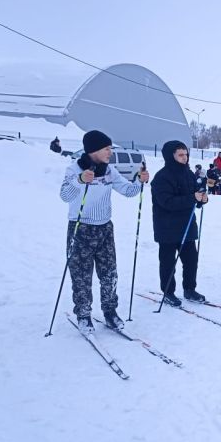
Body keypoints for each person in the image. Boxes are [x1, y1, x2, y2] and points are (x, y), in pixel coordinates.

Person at [59, 130, 150, 333]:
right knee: (82, 276)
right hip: (80, 228)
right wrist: (80, 180)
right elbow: (65, 195)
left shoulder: (109, 171)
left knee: (109, 274)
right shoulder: (74, 169)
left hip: (105, 228)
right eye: (107, 149)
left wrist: (138, 180)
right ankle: (83, 314)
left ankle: (110, 311)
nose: (110, 152)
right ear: (94, 150)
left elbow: (129, 191)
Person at [151, 141, 208, 307]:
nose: (185, 158)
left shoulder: (189, 174)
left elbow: (194, 195)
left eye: (186, 154)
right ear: (171, 156)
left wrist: (202, 199)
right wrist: (193, 198)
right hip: (167, 227)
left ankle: (189, 289)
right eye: (180, 155)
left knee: (191, 260)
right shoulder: (162, 177)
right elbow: (167, 202)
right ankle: (168, 292)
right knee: (168, 262)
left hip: (187, 225)